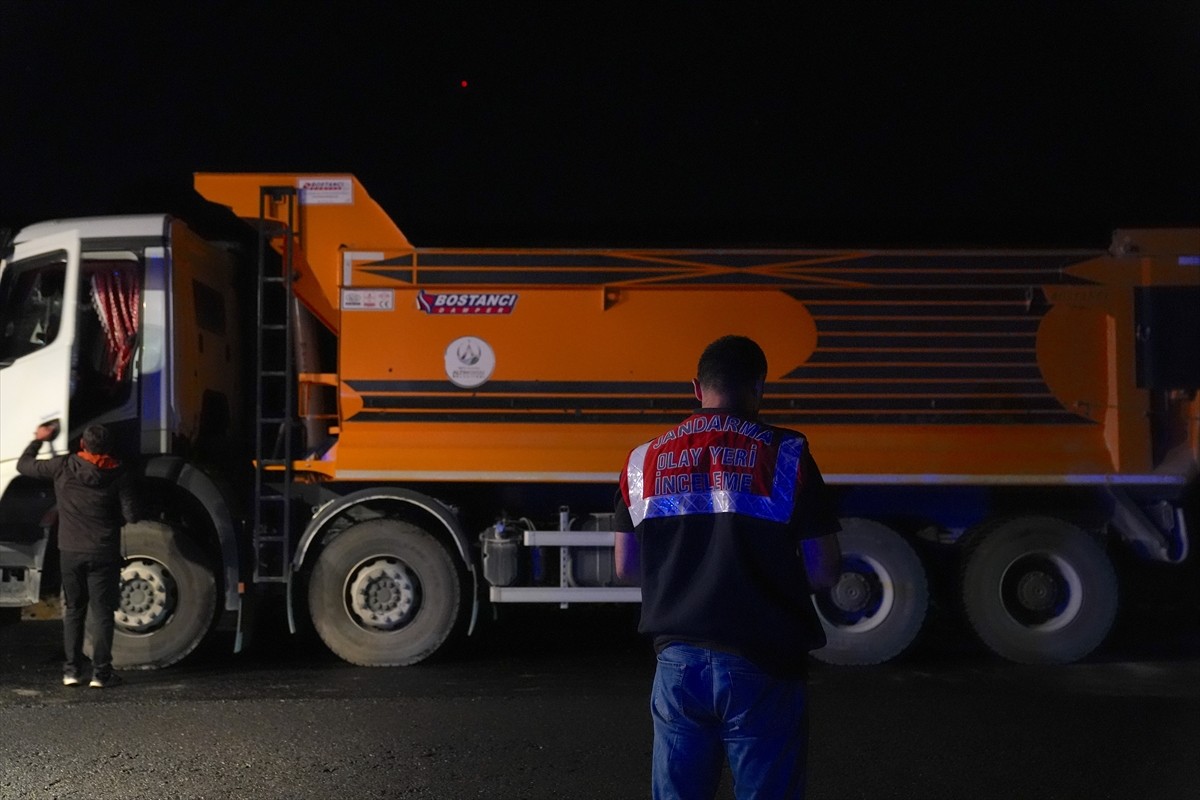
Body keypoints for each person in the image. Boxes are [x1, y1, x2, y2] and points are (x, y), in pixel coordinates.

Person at [613, 335, 842, 799]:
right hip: (763, 663)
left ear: (697, 388)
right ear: (759, 386)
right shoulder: (789, 455)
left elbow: (626, 567)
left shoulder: (643, 460)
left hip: (677, 665)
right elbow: (823, 572)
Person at [17, 421, 139, 688]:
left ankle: (71, 671)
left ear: (83, 444)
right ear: (109, 447)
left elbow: (23, 465)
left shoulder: (63, 466)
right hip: (104, 552)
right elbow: (132, 515)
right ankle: (101, 674)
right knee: (103, 613)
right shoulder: (120, 473)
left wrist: (39, 439)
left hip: (70, 551)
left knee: (74, 610)